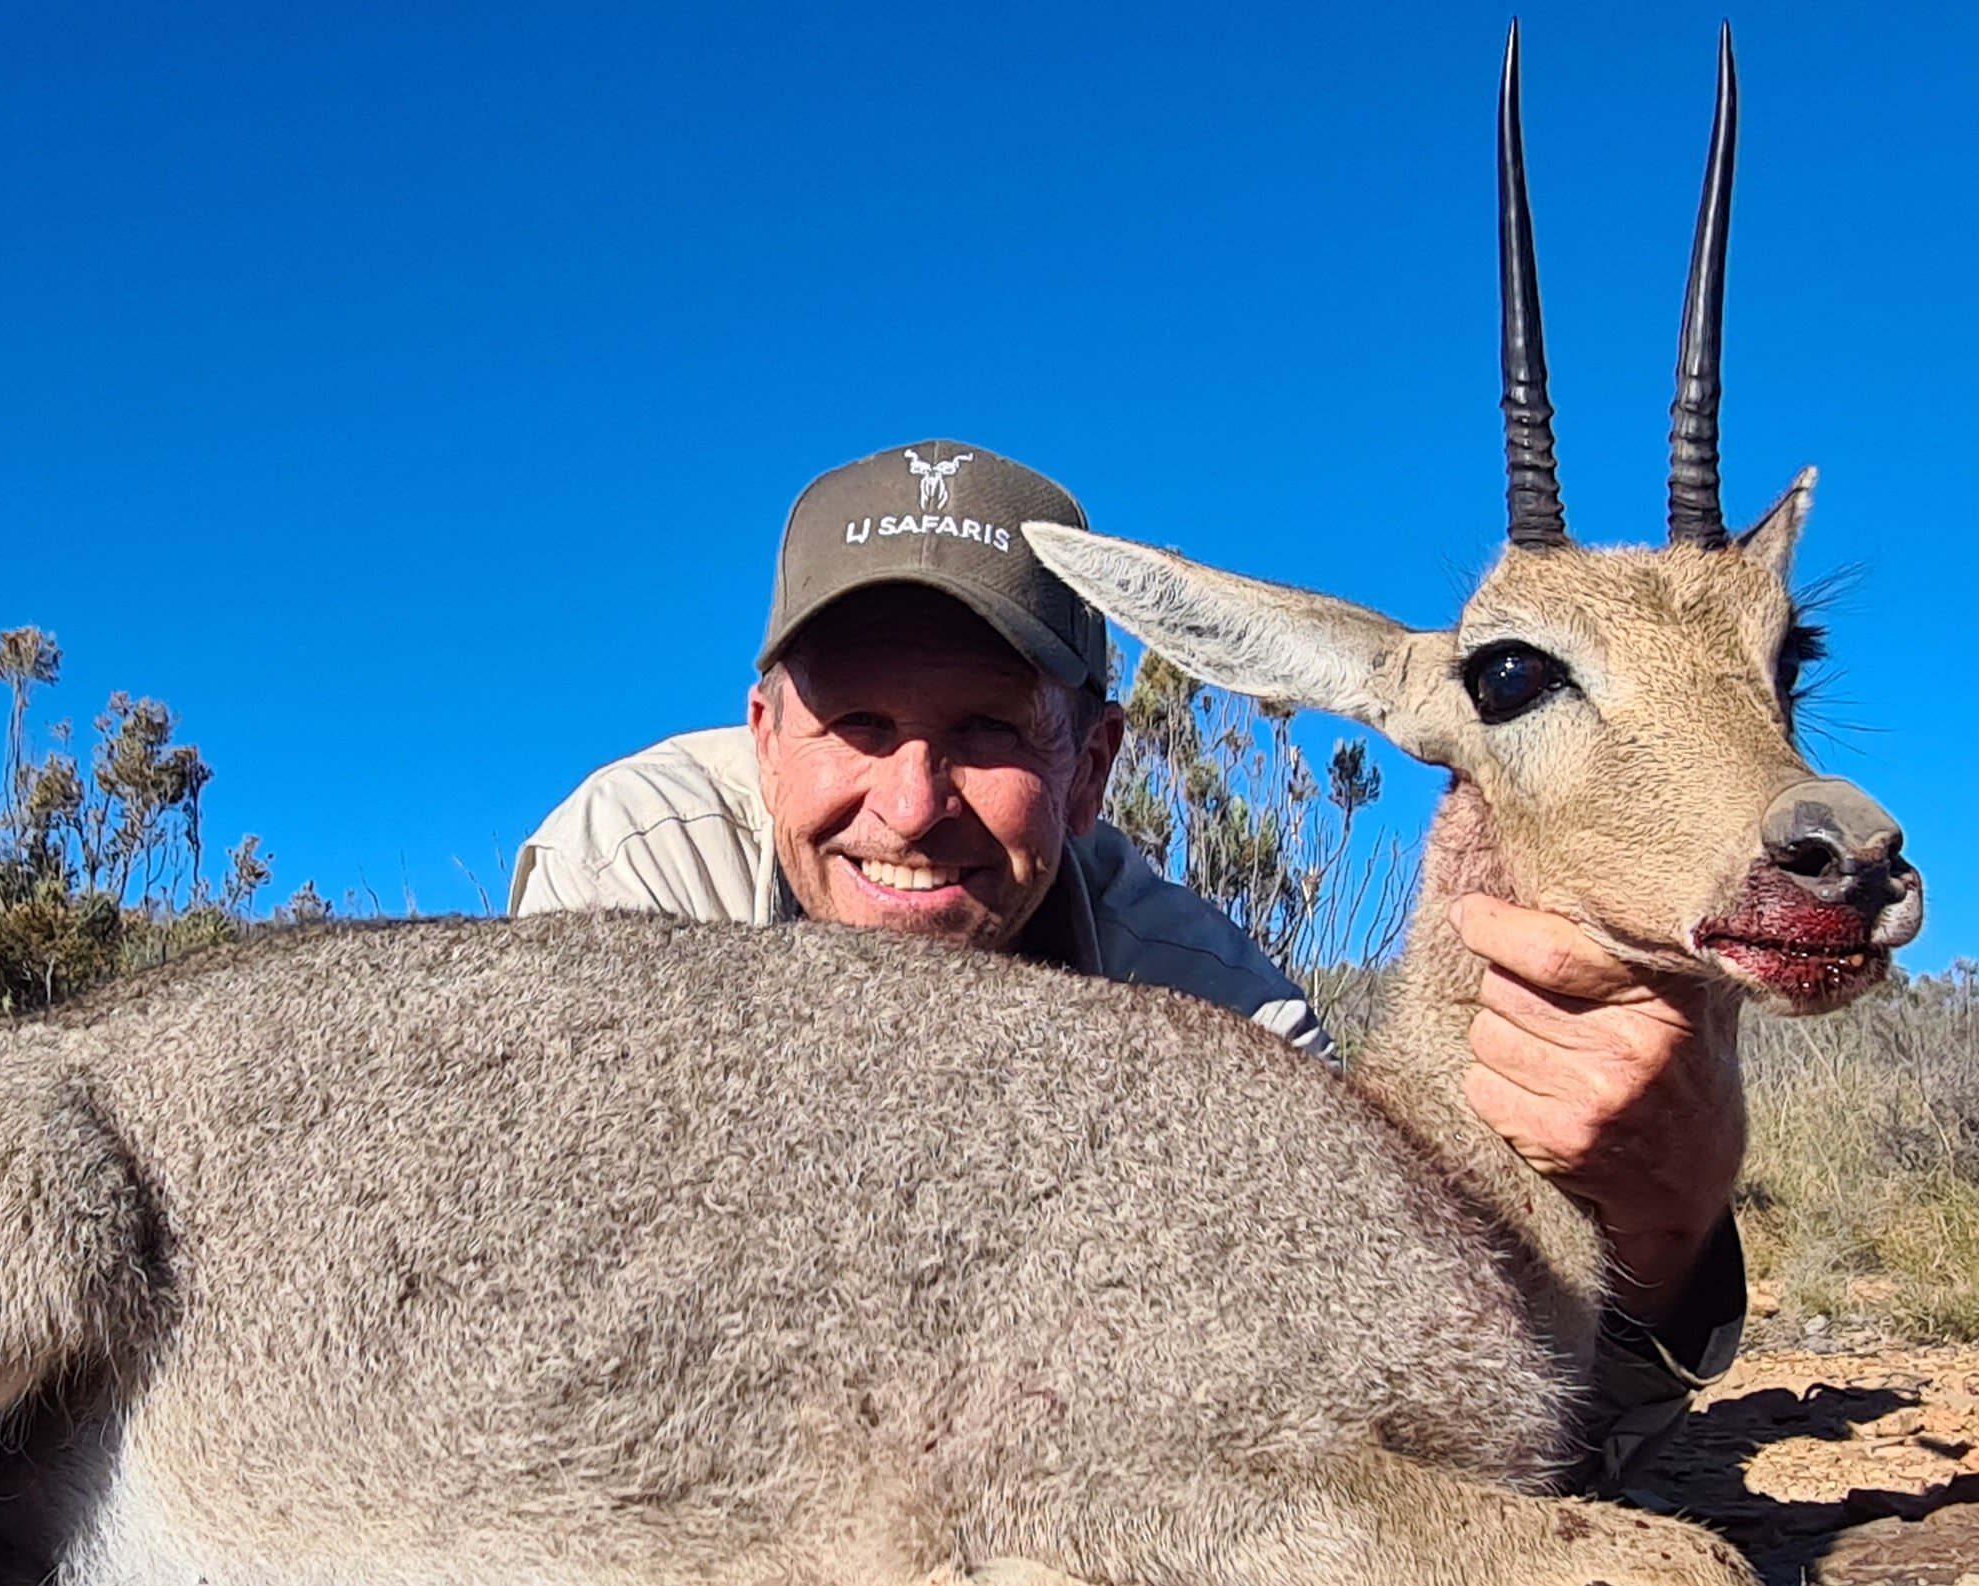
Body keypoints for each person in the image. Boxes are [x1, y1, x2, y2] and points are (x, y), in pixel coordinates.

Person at [507, 440, 1749, 1483]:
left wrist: (1672, 1223)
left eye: (987, 731)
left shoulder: (1216, 1006)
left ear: (1095, 765)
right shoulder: (636, 873)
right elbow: (539, 1294)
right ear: (766, 737)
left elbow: (1434, 1417)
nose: (912, 801)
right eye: (858, 726)